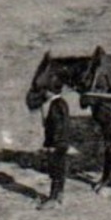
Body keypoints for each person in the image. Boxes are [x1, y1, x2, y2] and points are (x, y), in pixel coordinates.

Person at [38, 79, 71, 210]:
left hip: (57, 144)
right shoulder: (62, 103)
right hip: (63, 143)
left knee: (55, 171)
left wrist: (53, 144)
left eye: (46, 91)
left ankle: (52, 199)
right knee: (60, 170)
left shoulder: (55, 106)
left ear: (50, 92)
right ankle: (59, 195)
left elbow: (57, 126)